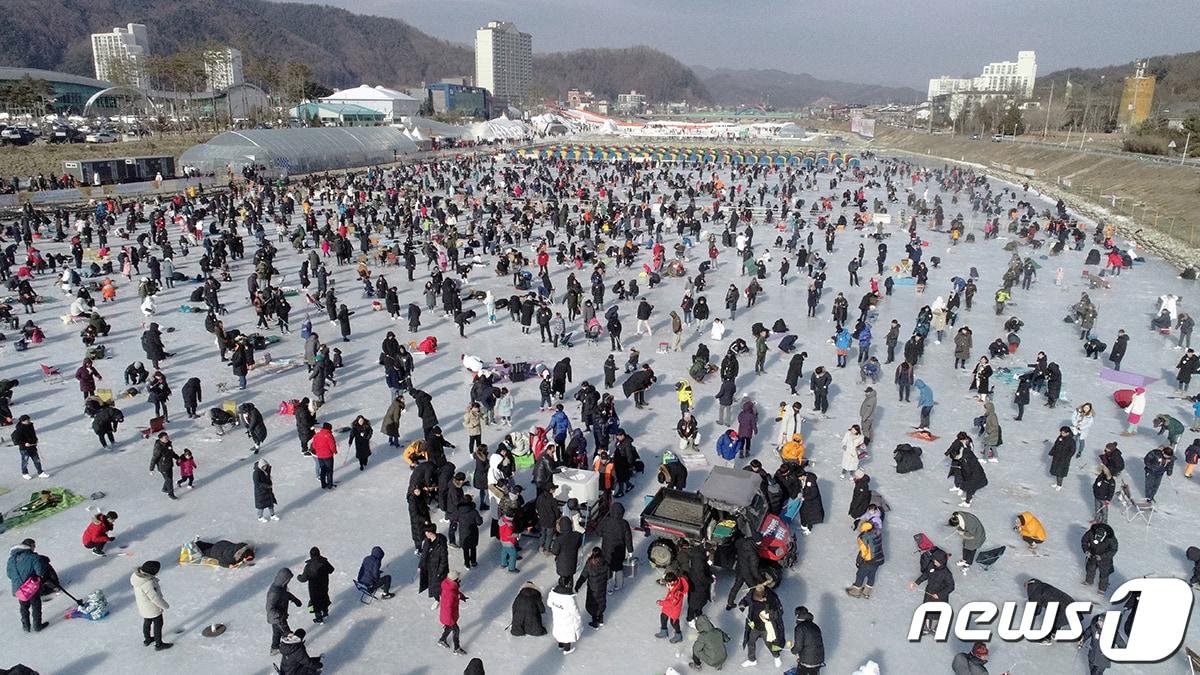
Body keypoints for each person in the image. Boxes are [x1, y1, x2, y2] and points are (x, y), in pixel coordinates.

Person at [6, 538, 48, 633]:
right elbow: (40, 571)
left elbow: (9, 574)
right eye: (34, 546)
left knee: (24, 607)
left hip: (18, 588)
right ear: (30, 546)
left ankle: (26, 626)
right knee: (36, 605)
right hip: (30, 586)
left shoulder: (11, 559)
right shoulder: (33, 557)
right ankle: (37, 626)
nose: (35, 548)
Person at [909, 547, 954, 635]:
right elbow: (925, 574)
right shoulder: (931, 566)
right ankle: (926, 627)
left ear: (941, 561)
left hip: (940, 596)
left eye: (936, 561)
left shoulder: (946, 573)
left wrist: (940, 595)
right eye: (934, 560)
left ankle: (936, 628)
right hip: (929, 592)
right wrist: (917, 583)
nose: (934, 562)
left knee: (937, 613)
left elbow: (951, 586)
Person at [738, 586, 786, 668]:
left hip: (766, 628)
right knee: (750, 642)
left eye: (758, 599)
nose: (756, 600)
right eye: (755, 599)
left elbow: (779, 612)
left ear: (764, 596)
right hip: (754, 625)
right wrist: (742, 604)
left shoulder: (772, 599)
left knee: (769, 644)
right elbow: (746, 599)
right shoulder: (752, 594)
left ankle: (776, 656)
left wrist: (771, 614)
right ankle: (752, 660)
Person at [131, 560, 172, 650]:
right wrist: (165, 605)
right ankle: (159, 644)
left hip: (143, 606)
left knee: (147, 622)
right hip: (152, 608)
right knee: (158, 625)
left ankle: (147, 639)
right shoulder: (147, 583)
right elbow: (155, 598)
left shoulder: (136, 576)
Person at [266, 568, 302, 655]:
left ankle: (274, 648)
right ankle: (291, 650)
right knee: (287, 634)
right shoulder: (274, 592)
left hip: (279, 616)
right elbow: (269, 607)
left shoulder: (281, 587)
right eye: (288, 579)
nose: (289, 581)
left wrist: (295, 600)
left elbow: (286, 594)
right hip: (278, 618)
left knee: (277, 633)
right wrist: (278, 614)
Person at [599, 502, 633, 593]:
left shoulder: (606, 521)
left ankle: (609, 589)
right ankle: (619, 585)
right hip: (620, 551)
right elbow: (628, 538)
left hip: (607, 550)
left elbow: (598, 532)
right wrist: (630, 550)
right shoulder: (624, 523)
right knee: (618, 567)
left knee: (608, 569)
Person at [846, 520, 884, 598]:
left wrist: (860, 560)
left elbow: (864, 551)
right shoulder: (876, 532)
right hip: (879, 558)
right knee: (872, 574)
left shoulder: (862, 537)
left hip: (870, 560)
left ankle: (856, 591)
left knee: (860, 574)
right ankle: (867, 592)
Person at [297, 546, 335, 623]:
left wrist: (298, 577)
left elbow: (303, 579)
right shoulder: (324, 562)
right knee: (324, 598)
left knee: (315, 603)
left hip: (314, 589)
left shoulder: (308, 566)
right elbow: (331, 569)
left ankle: (319, 618)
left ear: (311, 555)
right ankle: (325, 613)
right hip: (324, 586)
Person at [437, 570, 468, 655]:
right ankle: (457, 648)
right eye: (458, 579)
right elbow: (448, 607)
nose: (460, 580)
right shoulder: (450, 591)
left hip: (448, 615)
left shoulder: (449, 585)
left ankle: (442, 640)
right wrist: (451, 621)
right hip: (449, 616)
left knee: (449, 628)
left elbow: (456, 593)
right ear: (455, 580)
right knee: (456, 630)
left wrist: (461, 596)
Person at [1081, 523, 1118, 593]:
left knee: (1104, 574)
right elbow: (1084, 541)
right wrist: (1086, 550)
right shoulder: (1090, 533)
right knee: (1090, 569)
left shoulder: (1111, 538)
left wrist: (1102, 556)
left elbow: (1113, 550)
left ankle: (1102, 589)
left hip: (1105, 559)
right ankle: (1088, 582)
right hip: (1092, 554)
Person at [547, 582, 582, 654]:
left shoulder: (553, 595)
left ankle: (560, 645)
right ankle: (567, 650)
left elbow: (549, 604)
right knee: (568, 634)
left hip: (557, 617)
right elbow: (575, 611)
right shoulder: (569, 599)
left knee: (559, 631)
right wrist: (578, 619)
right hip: (568, 620)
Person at [790, 606, 826, 674]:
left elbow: (798, 647)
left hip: (807, 662)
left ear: (797, 615)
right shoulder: (815, 626)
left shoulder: (800, 628)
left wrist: (793, 651)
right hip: (819, 659)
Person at [655, 571, 689, 643]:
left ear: (673, 581)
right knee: (663, 616)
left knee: (674, 623)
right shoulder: (673, 585)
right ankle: (664, 631)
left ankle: (678, 634)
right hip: (668, 608)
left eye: (668, 583)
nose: (667, 585)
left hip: (674, 610)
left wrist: (661, 602)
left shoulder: (678, 592)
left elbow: (672, 603)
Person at [11, 415, 49, 479]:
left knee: (37, 460)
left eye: (29, 419)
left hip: (32, 446)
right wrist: (24, 444)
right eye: (27, 420)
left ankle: (40, 472)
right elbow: (17, 440)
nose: (29, 421)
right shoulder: (19, 429)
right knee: (25, 461)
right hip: (24, 449)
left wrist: (35, 439)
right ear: (23, 421)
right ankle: (25, 473)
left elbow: (33, 433)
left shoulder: (30, 425)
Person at [149, 432, 179, 500]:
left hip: (169, 464)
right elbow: (154, 458)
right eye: (165, 438)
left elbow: (172, 453)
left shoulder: (168, 444)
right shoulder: (158, 447)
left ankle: (164, 488)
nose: (167, 438)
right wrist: (151, 469)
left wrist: (178, 458)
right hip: (163, 467)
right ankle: (170, 494)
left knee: (169, 479)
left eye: (167, 437)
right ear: (161, 439)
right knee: (169, 480)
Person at [310, 423, 338, 490]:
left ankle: (323, 484)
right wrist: (335, 451)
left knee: (323, 470)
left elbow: (313, 446)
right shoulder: (329, 435)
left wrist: (318, 451)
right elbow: (332, 446)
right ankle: (329, 485)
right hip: (328, 456)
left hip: (319, 456)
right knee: (329, 471)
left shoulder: (316, 435)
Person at [1048, 426, 1075, 490]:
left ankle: (1059, 485)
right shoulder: (1060, 437)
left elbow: (1072, 451)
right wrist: (1051, 453)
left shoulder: (1071, 441)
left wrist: (1067, 457)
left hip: (1064, 459)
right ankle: (1057, 483)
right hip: (1057, 457)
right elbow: (1055, 446)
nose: (1061, 434)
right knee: (1056, 471)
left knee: (1060, 473)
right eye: (1061, 432)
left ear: (1067, 433)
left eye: (1063, 433)